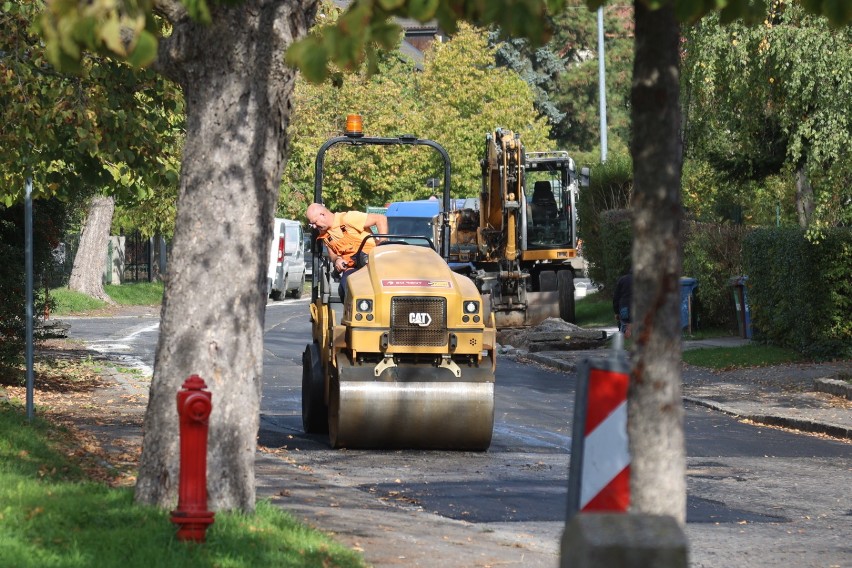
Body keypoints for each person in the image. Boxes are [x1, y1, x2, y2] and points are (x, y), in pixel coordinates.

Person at [305, 203, 388, 301]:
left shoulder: (348, 218)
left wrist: (383, 245)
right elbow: (333, 255)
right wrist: (337, 260)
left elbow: (380, 219)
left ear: (323, 214)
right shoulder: (325, 235)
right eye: (312, 224)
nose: (314, 227)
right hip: (353, 269)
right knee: (346, 288)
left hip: (373, 265)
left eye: (315, 222)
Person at [612, 271, 633, 338]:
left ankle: (622, 342)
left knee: (624, 328)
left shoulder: (623, 279)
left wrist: (616, 312)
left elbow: (616, 297)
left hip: (624, 308)